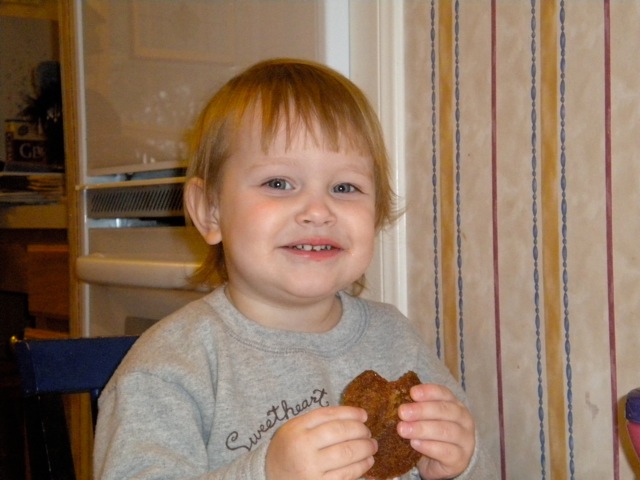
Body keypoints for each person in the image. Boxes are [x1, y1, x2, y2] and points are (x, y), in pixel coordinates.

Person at [93, 58, 496, 479]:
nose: (318, 210)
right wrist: (266, 474)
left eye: (345, 187)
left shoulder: (396, 340)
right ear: (210, 210)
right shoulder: (170, 365)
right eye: (279, 183)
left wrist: (458, 464)